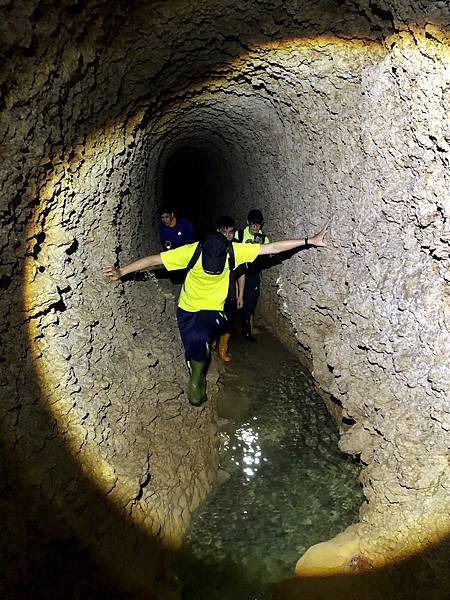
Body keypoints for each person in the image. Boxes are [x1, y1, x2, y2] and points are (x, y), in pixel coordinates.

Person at [104, 225, 329, 407]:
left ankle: (197, 376)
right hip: (190, 309)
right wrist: (122, 272)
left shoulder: (233, 250)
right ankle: (196, 364)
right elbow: (154, 260)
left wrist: (309, 240)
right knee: (192, 343)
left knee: (198, 339)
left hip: (206, 310)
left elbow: (273, 248)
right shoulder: (193, 251)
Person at [214, 216, 245, 362]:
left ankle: (222, 348)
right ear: (217, 232)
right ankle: (213, 340)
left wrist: (240, 296)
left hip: (230, 294)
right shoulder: (211, 248)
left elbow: (241, 274)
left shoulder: (237, 249)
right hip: (214, 294)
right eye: (224, 232)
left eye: (231, 232)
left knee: (229, 322)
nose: (228, 236)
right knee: (213, 320)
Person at [237, 208, 270, 342]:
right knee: (234, 300)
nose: (255, 227)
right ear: (247, 222)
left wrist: (260, 249)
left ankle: (247, 330)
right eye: (253, 224)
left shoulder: (264, 238)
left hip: (253, 274)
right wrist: (245, 246)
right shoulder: (239, 235)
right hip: (238, 273)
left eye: (258, 224)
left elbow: (267, 258)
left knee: (250, 301)